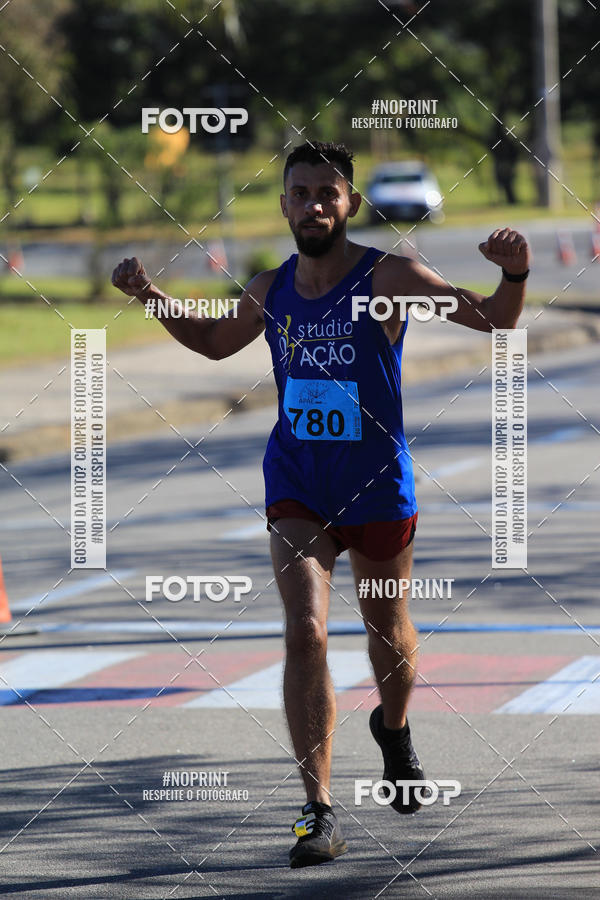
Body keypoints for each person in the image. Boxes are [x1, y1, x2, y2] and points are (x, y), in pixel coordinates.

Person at [112, 141, 530, 869]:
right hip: (298, 483)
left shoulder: (389, 275)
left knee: (388, 629)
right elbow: (214, 342)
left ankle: (393, 731)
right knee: (305, 630)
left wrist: (516, 273)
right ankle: (319, 811)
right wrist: (151, 298)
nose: (313, 205)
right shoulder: (271, 289)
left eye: (327, 194)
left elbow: (495, 320)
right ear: (283, 205)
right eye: (300, 193)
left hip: (375, 485)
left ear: (350, 204)